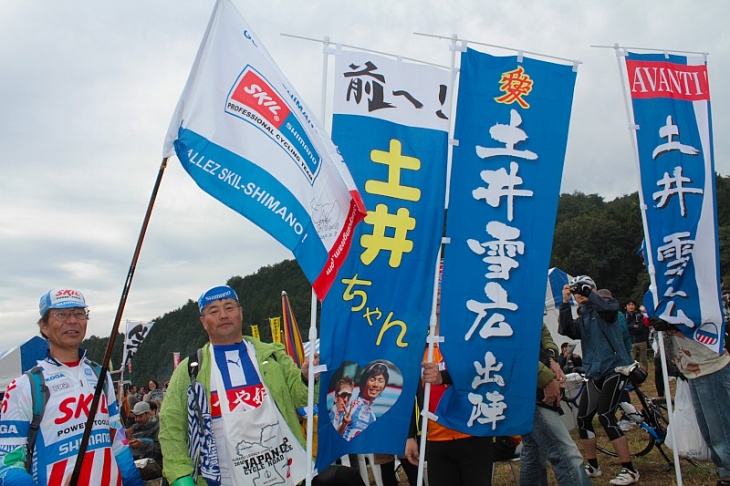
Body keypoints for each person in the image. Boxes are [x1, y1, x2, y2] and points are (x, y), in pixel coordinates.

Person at [159, 285, 318, 486]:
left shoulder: (272, 355)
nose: (223, 315)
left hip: (286, 473)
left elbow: (301, 397)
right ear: (203, 321)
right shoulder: (190, 370)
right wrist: (181, 476)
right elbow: (171, 425)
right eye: (214, 311)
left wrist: (307, 377)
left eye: (229, 307)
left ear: (240, 312)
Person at [0, 288, 141, 485]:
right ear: (44, 326)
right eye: (61, 314)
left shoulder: (100, 375)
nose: (72, 321)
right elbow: (7, 463)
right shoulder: (24, 386)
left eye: (79, 313)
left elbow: (117, 438)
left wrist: (133, 480)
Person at [558, 275, 639, 485]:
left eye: (581, 291)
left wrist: (588, 293)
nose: (579, 295)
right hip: (594, 372)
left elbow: (610, 312)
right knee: (583, 418)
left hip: (615, 368)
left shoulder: (606, 307)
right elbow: (565, 330)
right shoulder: (583, 316)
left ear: (592, 290)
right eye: (576, 292)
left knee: (606, 416)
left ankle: (630, 470)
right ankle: (593, 466)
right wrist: (565, 303)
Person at [650, 317, 730, 486]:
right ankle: (724, 471)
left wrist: (675, 322)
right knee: (708, 431)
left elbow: (704, 315)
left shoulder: (697, 293)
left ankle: (727, 474)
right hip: (690, 368)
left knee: (720, 430)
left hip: (709, 366)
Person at [519, 323, 592, 486]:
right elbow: (508, 347)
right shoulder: (501, 300)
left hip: (535, 378)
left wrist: (551, 357)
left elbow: (540, 327)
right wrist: (545, 377)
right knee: (567, 455)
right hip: (526, 386)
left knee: (534, 454)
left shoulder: (524, 300)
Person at [342, 362, 388, 441]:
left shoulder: (372, 417)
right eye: (372, 380)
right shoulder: (351, 407)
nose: (376, 385)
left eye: (380, 381)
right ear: (363, 383)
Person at [127, 401, 163, 479]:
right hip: (136, 461)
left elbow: (159, 448)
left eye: (140, 416)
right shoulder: (134, 428)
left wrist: (142, 443)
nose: (137, 419)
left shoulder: (158, 427)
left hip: (154, 464)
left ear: (148, 414)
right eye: (136, 416)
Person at [625, 300, 650, 371]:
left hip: (641, 340)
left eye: (632, 305)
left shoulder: (639, 316)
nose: (631, 307)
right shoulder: (624, 316)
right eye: (629, 305)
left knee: (644, 359)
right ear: (626, 306)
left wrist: (632, 327)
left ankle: (644, 373)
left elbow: (642, 326)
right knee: (631, 360)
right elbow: (625, 327)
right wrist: (633, 326)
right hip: (630, 341)